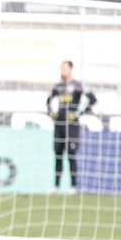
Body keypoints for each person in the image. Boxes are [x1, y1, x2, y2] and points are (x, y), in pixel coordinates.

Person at [46, 60, 97, 194]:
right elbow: (48, 102)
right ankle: (56, 186)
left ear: (70, 69)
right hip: (59, 124)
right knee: (58, 154)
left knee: (71, 154)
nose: (62, 71)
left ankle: (73, 186)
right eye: (61, 68)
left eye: (65, 68)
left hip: (72, 125)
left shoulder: (78, 85)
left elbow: (93, 99)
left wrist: (78, 113)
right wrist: (52, 113)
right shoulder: (58, 86)